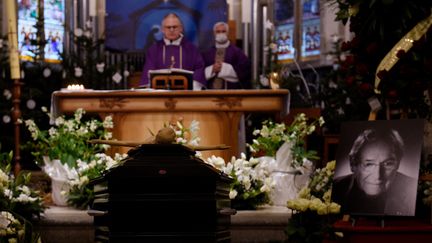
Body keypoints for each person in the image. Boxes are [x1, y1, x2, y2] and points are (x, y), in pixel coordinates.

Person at [332, 128, 418, 216]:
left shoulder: (414, 190)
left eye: (388, 164)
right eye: (369, 164)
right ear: (353, 164)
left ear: (398, 164)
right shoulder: (336, 188)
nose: (378, 176)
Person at [140, 13, 206, 90]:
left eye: (175, 27)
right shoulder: (154, 50)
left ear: (181, 28)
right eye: (168, 27)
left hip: (186, 94)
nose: (172, 30)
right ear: (162, 29)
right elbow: (148, 72)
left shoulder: (192, 49)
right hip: (160, 95)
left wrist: (192, 86)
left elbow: (199, 69)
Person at [202, 22, 252, 89]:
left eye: (223, 31)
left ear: (228, 33)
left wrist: (225, 68)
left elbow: (245, 70)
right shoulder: (207, 53)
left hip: (231, 92)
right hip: (211, 92)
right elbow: (199, 71)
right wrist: (212, 69)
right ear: (214, 34)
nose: (221, 34)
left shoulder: (237, 52)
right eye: (218, 32)